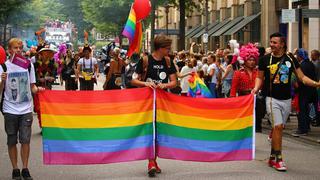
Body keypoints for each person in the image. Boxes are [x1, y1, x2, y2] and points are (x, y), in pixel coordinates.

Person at [252, 33, 320, 171]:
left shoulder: (291, 59)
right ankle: (279, 158)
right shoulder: (264, 59)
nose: (271, 45)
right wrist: (255, 88)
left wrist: (316, 84)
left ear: (282, 44)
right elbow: (259, 78)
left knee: (280, 128)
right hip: (271, 98)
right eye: (270, 42)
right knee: (277, 127)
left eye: (275, 42)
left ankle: (272, 157)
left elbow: (302, 77)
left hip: (287, 99)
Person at [131, 34, 177, 177]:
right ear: (160, 48)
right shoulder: (145, 60)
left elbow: (174, 82)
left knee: (158, 132)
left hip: (163, 104)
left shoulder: (168, 61)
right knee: (150, 131)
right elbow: (133, 80)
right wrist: (145, 83)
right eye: (167, 48)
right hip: (146, 104)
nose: (169, 50)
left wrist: (164, 85)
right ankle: (151, 161)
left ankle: (153, 161)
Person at [0, 38, 44, 180]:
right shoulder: (3, 67)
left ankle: (25, 168)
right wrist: (2, 80)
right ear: (9, 50)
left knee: (25, 140)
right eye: (15, 48)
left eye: (20, 47)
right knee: (12, 140)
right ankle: (15, 169)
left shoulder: (28, 65)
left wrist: (40, 90)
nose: (18, 50)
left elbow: (32, 87)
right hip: (9, 110)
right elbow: (0, 90)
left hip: (26, 110)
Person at [291, 49, 318, 136]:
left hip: (304, 91)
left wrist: (296, 88)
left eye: (297, 55)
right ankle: (306, 127)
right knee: (306, 109)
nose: (296, 57)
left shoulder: (302, 65)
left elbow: (301, 79)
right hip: (311, 91)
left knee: (302, 110)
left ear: (300, 56)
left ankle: (302, 129)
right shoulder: (310, 63)